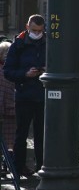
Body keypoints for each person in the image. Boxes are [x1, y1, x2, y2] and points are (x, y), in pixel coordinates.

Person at [3, 14, 46, 177]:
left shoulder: (47, 42)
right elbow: (8, 71)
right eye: (34, 30)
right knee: (21, 134)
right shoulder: (18, 45)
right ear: (28, 27)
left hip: (43, 95)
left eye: (40, 30)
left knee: (41, 134)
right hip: (24, 95)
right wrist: (25, 74)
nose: (37, 33)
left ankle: (41, 167)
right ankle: (18, 167)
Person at [0, 41, 16, 178]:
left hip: (11, 108)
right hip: (5, 108)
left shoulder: (11, 70)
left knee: (10, 138)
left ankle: (9, 162)